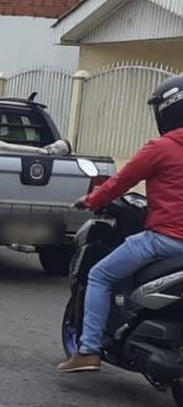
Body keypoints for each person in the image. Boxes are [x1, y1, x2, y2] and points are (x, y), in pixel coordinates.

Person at [56, 75, 183, 374]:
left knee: (100, 275)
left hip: (164, 240)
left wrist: (91, 200)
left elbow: (120, 182)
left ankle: (88, 351)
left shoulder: (162, 148)